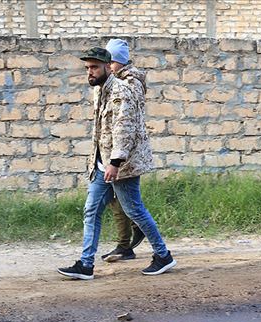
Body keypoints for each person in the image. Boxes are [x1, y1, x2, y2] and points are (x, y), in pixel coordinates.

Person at [58, 43, 176, 280]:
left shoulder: (121, 91)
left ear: (107, 67)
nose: (89, 72)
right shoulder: (99, 90)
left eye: (94, 67)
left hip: (123, 164)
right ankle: (86, 265)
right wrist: (99, 161)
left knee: (134, 210)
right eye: (87, 68)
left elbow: (124, 129)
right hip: (103, 163)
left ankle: (163, 255)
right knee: (91, 210)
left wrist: (115, 162)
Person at [100, 39, 147, 263]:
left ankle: (142, 242)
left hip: (125, 153)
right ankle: (126, 241)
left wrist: (118, 156)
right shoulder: (116, 80)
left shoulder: (130, 83)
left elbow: (126, 122)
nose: (108, 66)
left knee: (128, 202)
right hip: (114, 151)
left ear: (120, 62)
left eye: (111, 62)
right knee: (116, 199)